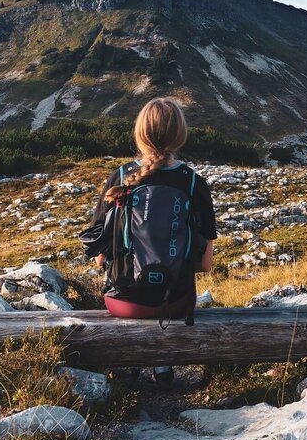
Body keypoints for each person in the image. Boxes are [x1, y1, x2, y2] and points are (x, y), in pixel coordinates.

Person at [82, 97, 216, 381]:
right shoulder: (193, 182)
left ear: (139, 134)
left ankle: (133, 364)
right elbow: (205, 265)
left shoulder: (120, 177)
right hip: (176, 301)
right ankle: (161, 364)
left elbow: (100, 258)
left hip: (123, 302)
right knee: (168, 296)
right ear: (180, 134)